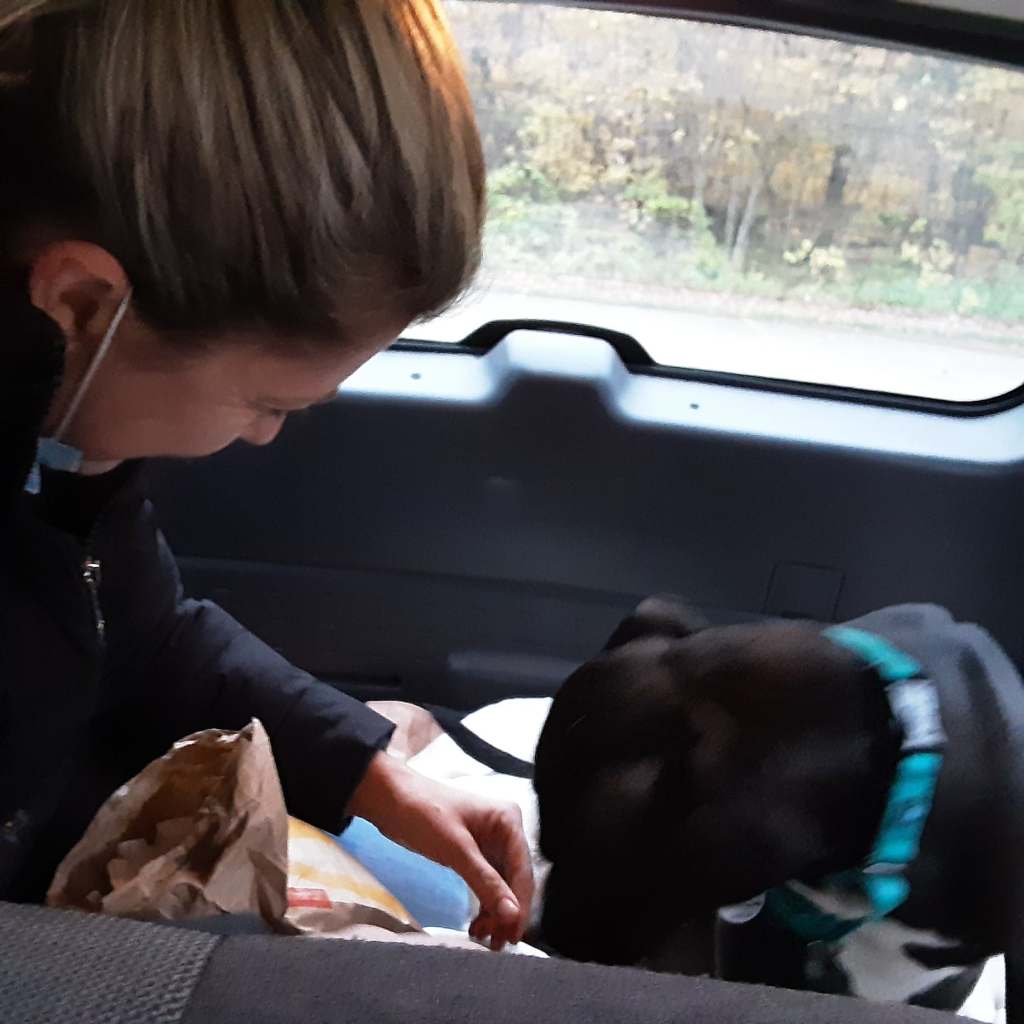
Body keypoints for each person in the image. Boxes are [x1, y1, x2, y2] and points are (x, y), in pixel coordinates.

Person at [0, 0, 533, 950]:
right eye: (268, 402)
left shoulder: (67, 444)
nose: (265, 438)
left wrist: (372, 772)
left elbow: (147, 632)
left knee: (445, 893)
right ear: (81, 303)